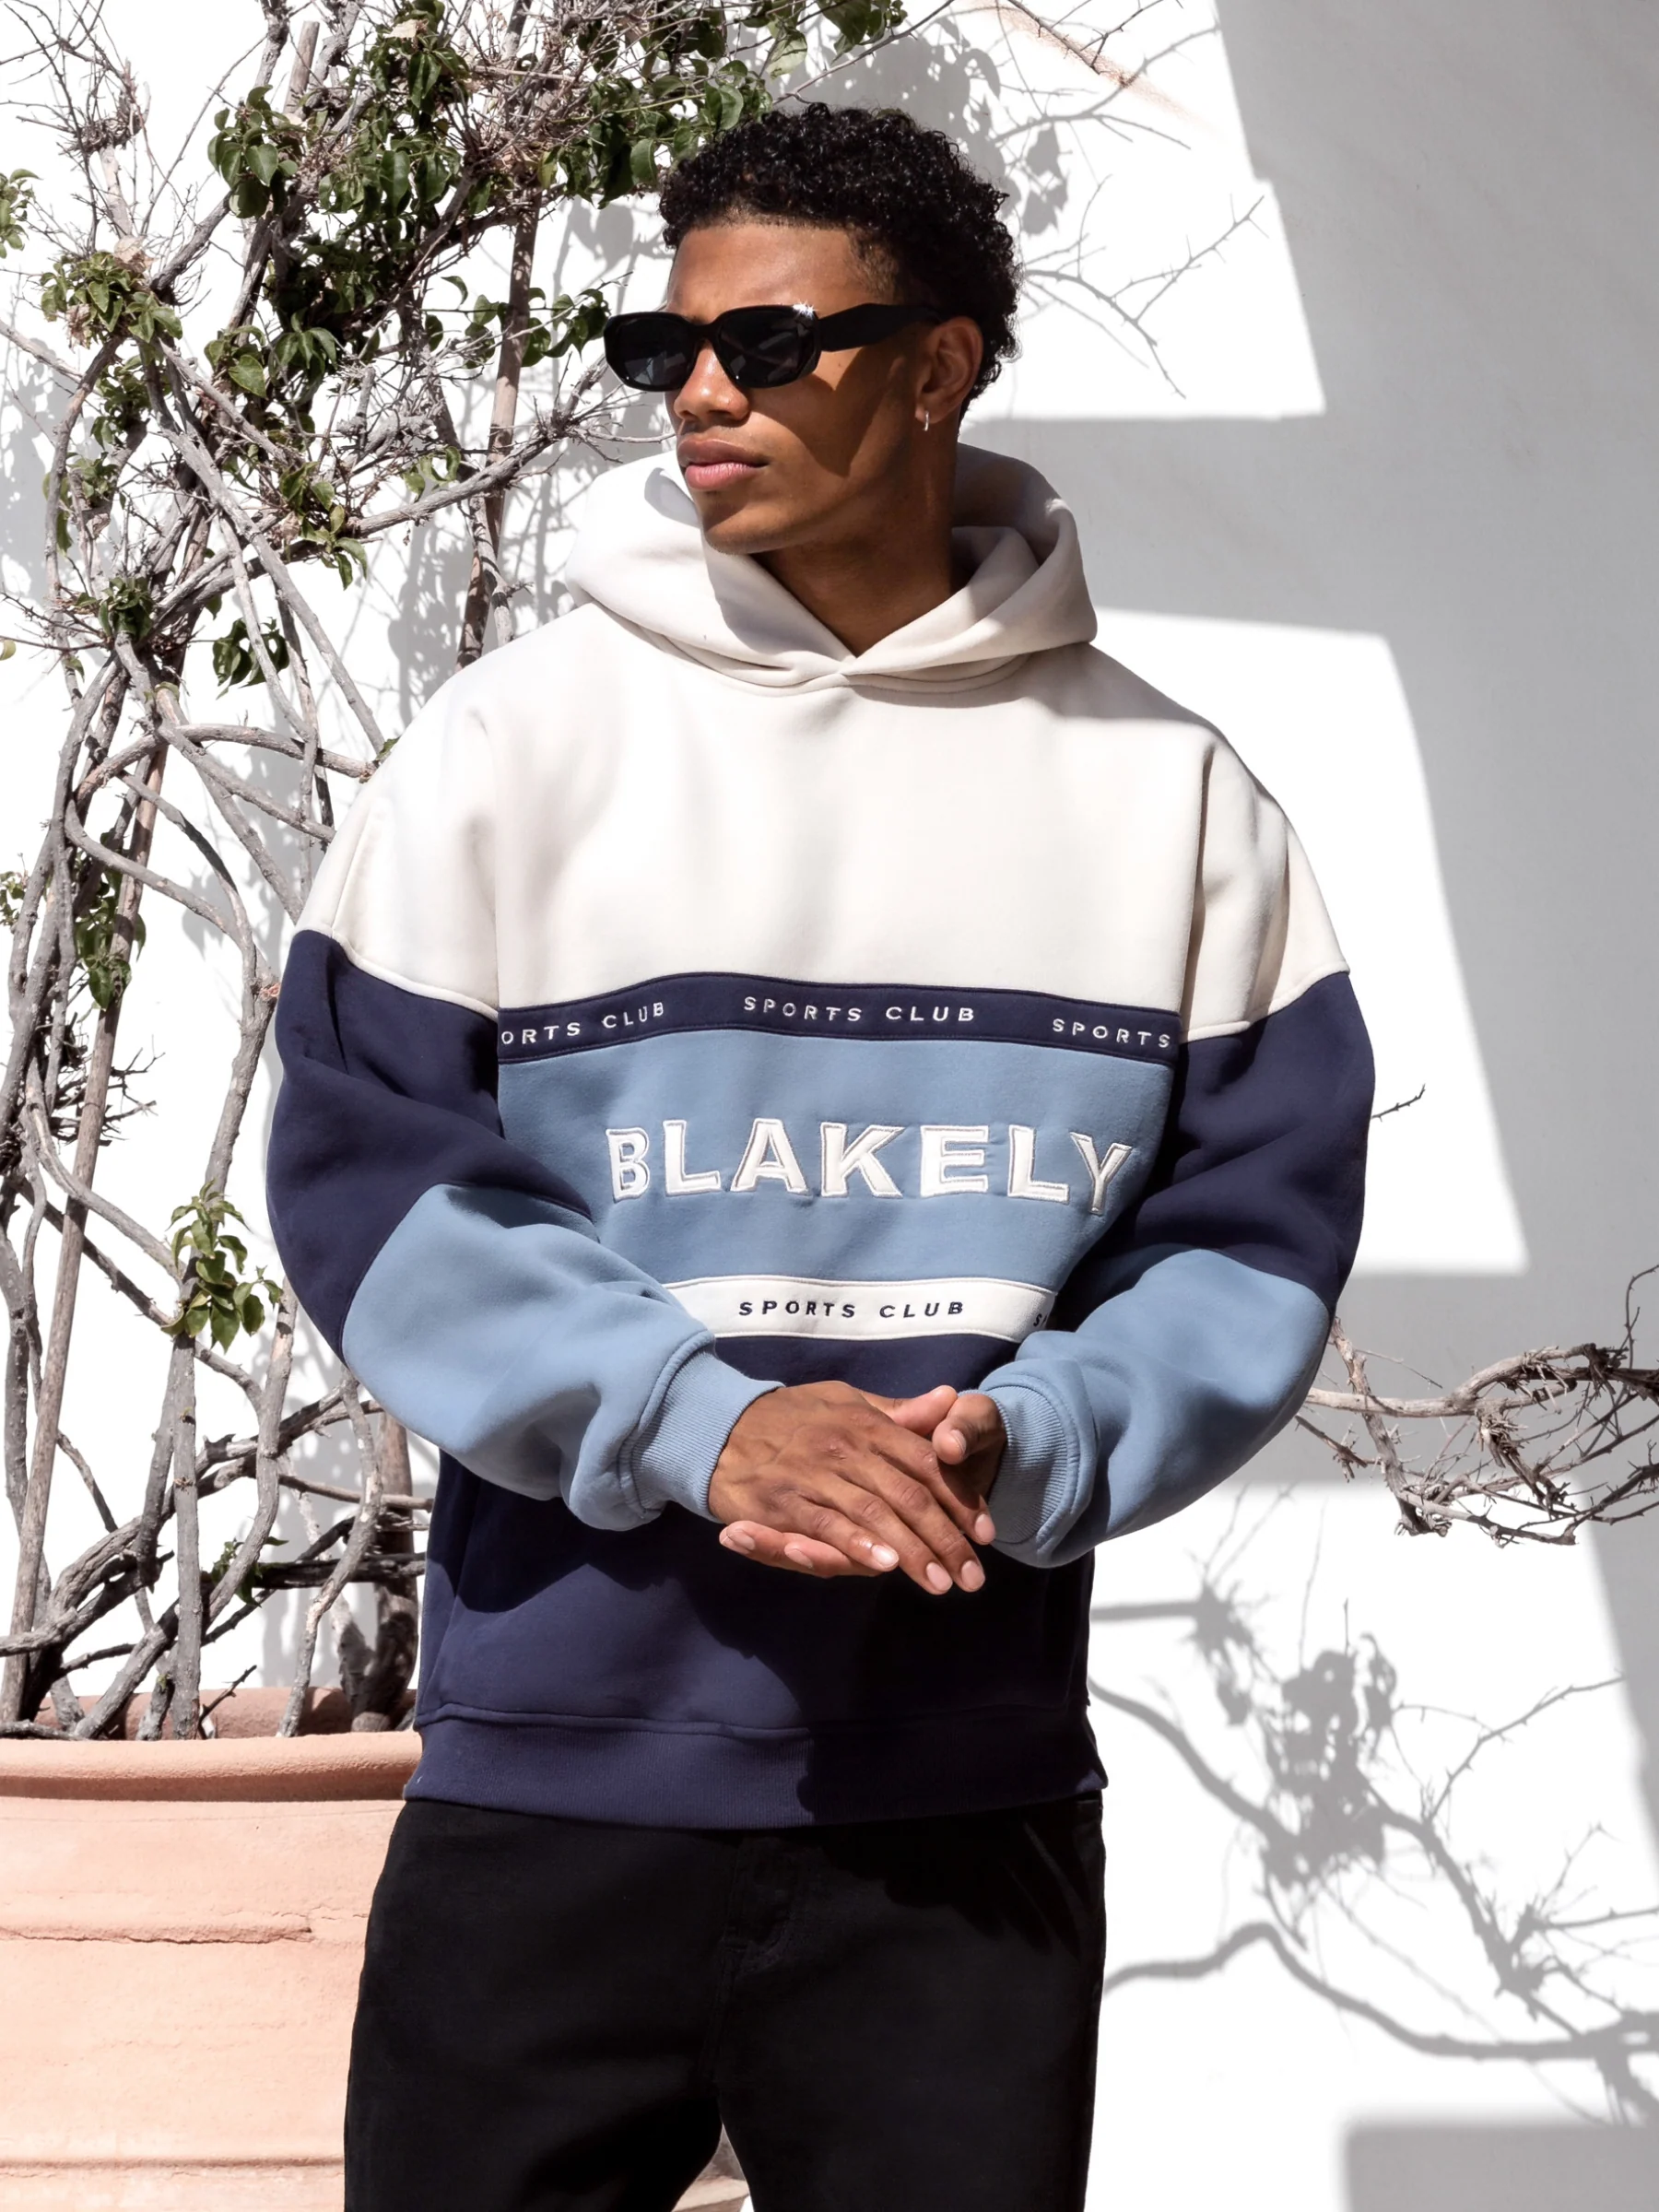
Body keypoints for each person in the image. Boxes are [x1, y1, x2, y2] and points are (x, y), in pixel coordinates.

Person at [267, 100, 1372, 2212]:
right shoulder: (508, 752)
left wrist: (1036, 1435)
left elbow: (1253, 1229)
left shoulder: (1170, 797)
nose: (702, 393)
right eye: (664, 347)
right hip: (556, 1788)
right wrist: (708, 1426)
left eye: (769, 345)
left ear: (941, 365)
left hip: (955, 1805)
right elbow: (368, 1183)